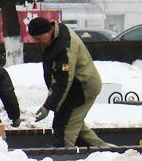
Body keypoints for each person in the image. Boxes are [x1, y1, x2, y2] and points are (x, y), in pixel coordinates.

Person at [28, 17, 110, 148]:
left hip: (83, 86)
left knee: (66, 127)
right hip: (73, 87)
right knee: (72, 122)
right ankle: (108, 152)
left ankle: (64, 155)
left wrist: (48, 106)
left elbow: (63, 79)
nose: (37, 43)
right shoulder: (53, 37)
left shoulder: (65, 47)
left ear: (48, 32)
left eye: (38, 39)